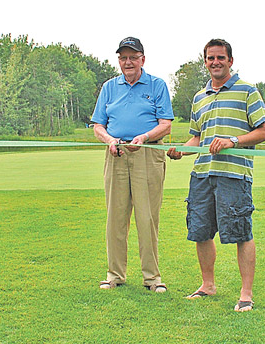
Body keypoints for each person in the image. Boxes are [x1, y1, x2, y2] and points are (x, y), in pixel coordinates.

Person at [167, 38, 265, 312]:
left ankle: (246, 294)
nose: (215, 62)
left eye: (220, 58)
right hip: (202, 174)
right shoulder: (199, 97)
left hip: (234, 175)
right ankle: (207, 285)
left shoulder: (247, 91)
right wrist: (181, 151)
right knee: (200, 231)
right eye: (210, 58)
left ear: (230, 61)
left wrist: (233, 141)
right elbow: (196, 139)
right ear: (205, 62)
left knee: (241, 232)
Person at [91, 37, 174, 292]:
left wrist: (145, 137)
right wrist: (109, 140)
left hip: (147, 153)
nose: (128, 62)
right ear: (119, 60)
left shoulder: (157, 85)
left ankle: (152, 278)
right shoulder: (109, 87)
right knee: (115, 218)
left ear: (142, 60)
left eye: (133, 57)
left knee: (147, 217)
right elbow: (98, 125)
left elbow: (166, 124)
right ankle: (115, 274)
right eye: (123, 57)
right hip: (116, 154)